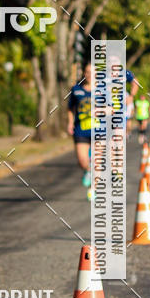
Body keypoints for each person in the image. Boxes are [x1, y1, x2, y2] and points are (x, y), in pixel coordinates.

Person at [67, 62, 97, 201]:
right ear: (84, 73)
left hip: (99, 131)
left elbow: (112, 107)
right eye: (87, 72)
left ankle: (93, 189)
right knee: (82, 160)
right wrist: (70, 123)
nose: (90, 75)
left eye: (93, 72)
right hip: (81, 130)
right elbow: (70, 108)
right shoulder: (76, 90)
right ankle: (88, 171)